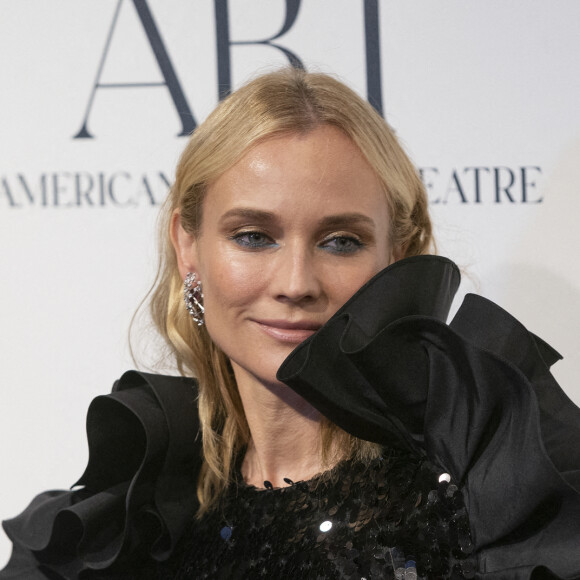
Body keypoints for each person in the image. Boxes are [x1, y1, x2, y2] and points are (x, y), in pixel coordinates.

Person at [1, 67, 580, 579]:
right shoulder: (141, 521)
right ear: (188, 245)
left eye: (341, 241)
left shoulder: (485, 500)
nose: (297, 282)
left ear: (398, 256)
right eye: (253, 236)